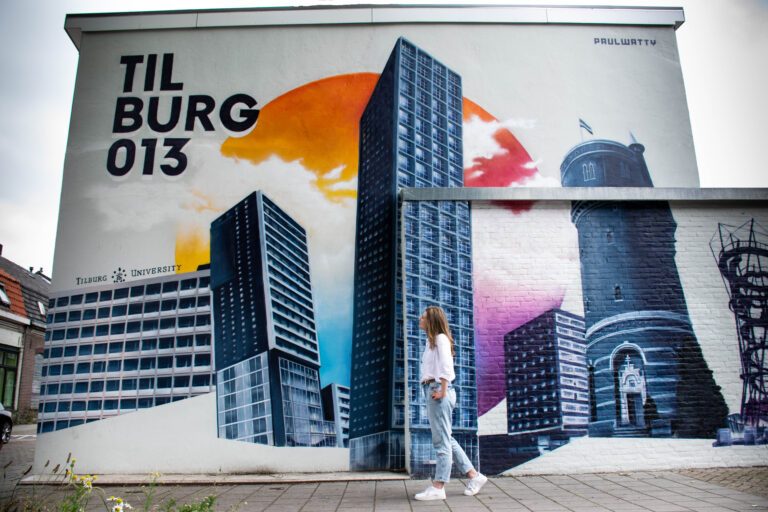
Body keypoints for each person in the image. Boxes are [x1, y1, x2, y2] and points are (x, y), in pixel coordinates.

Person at [415, 305, 487, 501]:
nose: (419, 319)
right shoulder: (432, 341)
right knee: (447, 438)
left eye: (423, 317)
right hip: (435, 389)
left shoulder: (440, 339)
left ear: (431, 321)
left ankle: (438, 486)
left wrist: (442, 391)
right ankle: (474, 476)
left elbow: (447, 366)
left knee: (441, 442)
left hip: (439, 390)